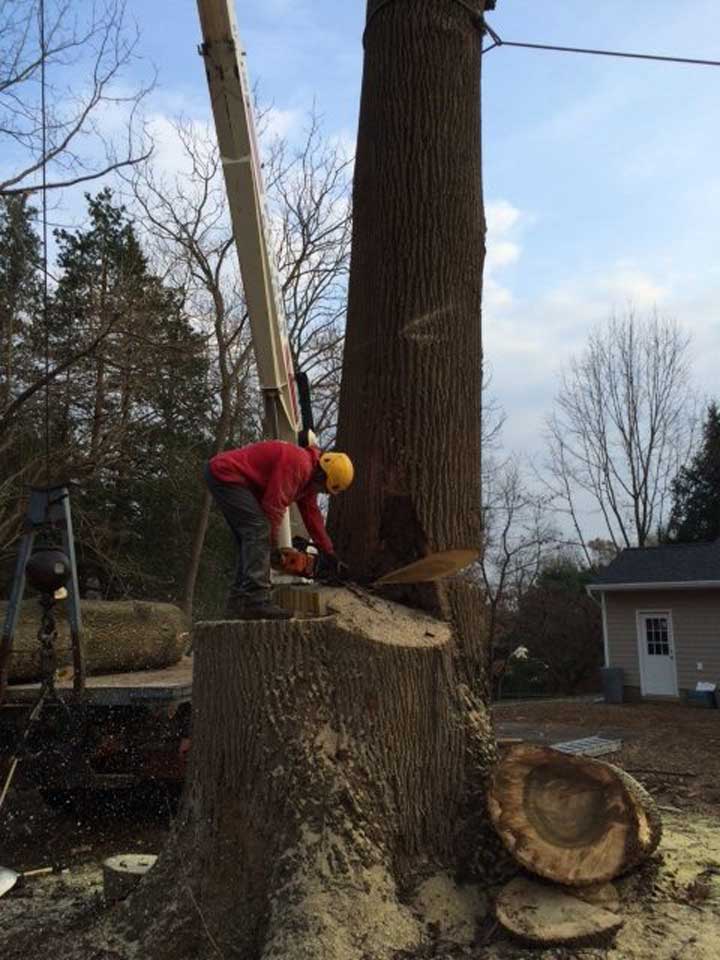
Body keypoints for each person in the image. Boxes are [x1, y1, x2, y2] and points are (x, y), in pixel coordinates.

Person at [205, 440, 354, 620]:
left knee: (249, 542)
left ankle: (238, 602)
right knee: (258, 530)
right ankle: (256, 600)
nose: (321, 491)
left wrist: (329, 552)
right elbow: (273, 506)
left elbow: (312, 515)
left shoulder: (309, 478)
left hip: (232, 478)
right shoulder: (299, 464)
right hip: (227, 474)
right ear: (322, 474)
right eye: (323, 488)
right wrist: (272, 545)